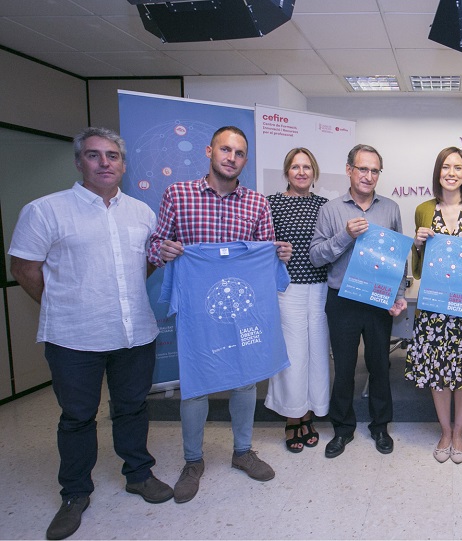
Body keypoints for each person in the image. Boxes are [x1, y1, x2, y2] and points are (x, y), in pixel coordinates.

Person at [8, 127, 173, 540]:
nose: (104, 163)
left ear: (123, 164)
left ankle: (138, 474)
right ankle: (75, 494)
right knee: (77, 417)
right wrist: (63, 306)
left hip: (134, 333)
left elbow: (146, 264)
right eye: (95, 155)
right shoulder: (46, 210)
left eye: (113, 156)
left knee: (132, 408)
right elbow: (24, 268)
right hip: (73, 338)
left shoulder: (142, 213)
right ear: (79, 161)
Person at [147, 126, 293, 503]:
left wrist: (279, 254)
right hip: (197, 311)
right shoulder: (179, 194)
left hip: (242, 308)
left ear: (246, 159)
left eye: (239, 153)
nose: (231, 158)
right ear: (209, 151)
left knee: (245, 379)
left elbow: (265, 250)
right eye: (225, 150)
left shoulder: (256, 203)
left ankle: (242, 451)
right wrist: (162, 251)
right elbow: (154, 244)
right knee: (195, 383)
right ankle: (192, 461)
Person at [309, 144, 407, 459]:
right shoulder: (330, 210)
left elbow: (399, 258)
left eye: (374, 170)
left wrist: (399, 295)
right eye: (362, 169)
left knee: (379, 366)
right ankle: (342, 429)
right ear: (349, 169)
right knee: (345, 368)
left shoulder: (390, 208)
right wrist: (345, 236)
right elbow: (316, 256)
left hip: (379, 300)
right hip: (343, 299)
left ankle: (380, 426)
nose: (368, 176)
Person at [405, 147, 462, 464]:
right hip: (434, 308)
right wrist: (417, 244)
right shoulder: (423, 209)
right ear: (438, 172)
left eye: (458, 167)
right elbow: (419, 268)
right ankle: (444, 431)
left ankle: (459, 432)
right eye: (446, 167)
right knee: (438, 372)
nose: (452, 173)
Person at [264, 147, 330, 453]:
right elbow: (259, 244)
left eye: (307, 167)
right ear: (286, 172)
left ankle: (310, 412)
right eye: (295, 167)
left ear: (314, 172)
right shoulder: (271, 204)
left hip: (321, 289)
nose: (301, 172)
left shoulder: (325, 206)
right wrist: (274, 251)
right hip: (287, 288)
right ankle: (293, 417)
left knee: (318, 354)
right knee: (293, 355)